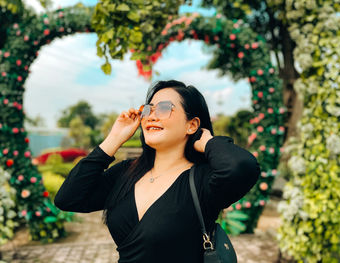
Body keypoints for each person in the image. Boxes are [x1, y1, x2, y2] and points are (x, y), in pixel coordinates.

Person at [54, 80, 261, 263]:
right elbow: (68, 198)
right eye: (148, 109)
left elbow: (241, 166)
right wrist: (114, 138)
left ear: (191, 125)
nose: (151, 116)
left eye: (164, 108)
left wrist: (206, 141)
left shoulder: (203, 180)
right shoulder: (127, 172)